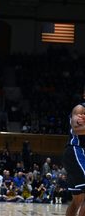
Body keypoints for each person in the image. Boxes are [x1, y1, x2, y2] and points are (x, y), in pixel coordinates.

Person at [63, 86, 85, 216]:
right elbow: (77, 129)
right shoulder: (80, 109)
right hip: (76, 151)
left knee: (78, 200)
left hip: (79, 154)